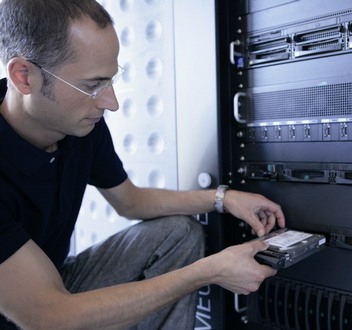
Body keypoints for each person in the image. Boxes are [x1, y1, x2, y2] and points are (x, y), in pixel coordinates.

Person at [0, 1, 285, 329]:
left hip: (54, 289)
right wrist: (211, 270)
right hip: (31, 312)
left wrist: (224, 198)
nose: (111, 103)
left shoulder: (77, 124)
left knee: (177, 233)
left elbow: (130, 201)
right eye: (92, 85)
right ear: (24, 77)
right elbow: (47, 317)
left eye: (110, 81)